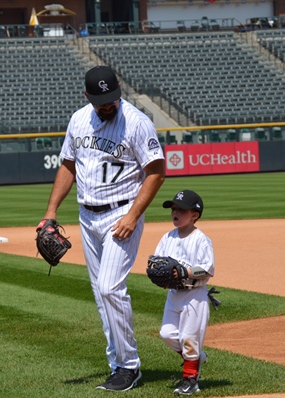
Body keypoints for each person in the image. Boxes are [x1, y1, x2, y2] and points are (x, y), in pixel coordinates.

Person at [38, 65, 165, 391]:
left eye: (112, 98)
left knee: (110, 288)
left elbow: (156, 171)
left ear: (119, 89)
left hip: (121, 215)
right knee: (100, 295)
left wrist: (134, 215)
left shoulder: (137, 122)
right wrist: (50, 213)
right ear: (87, 96)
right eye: (101, 100)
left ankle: (129, 366)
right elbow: (68, 164)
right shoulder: (79, 119)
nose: (108, 105)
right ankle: (117, 365)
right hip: (87, 216)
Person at [154, 190, 215, 396]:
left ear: (195, 215)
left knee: (189, 338)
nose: (175, 213)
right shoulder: (167, 237)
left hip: (194, 296)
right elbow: (158, 263)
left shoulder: (201, 240)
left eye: (181, 209)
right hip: (174, 294)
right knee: (167, 334)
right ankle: (197, 357)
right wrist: (156, 271)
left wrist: (185, 271)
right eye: (173, 209)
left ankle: (190, 380)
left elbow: (207, 270)